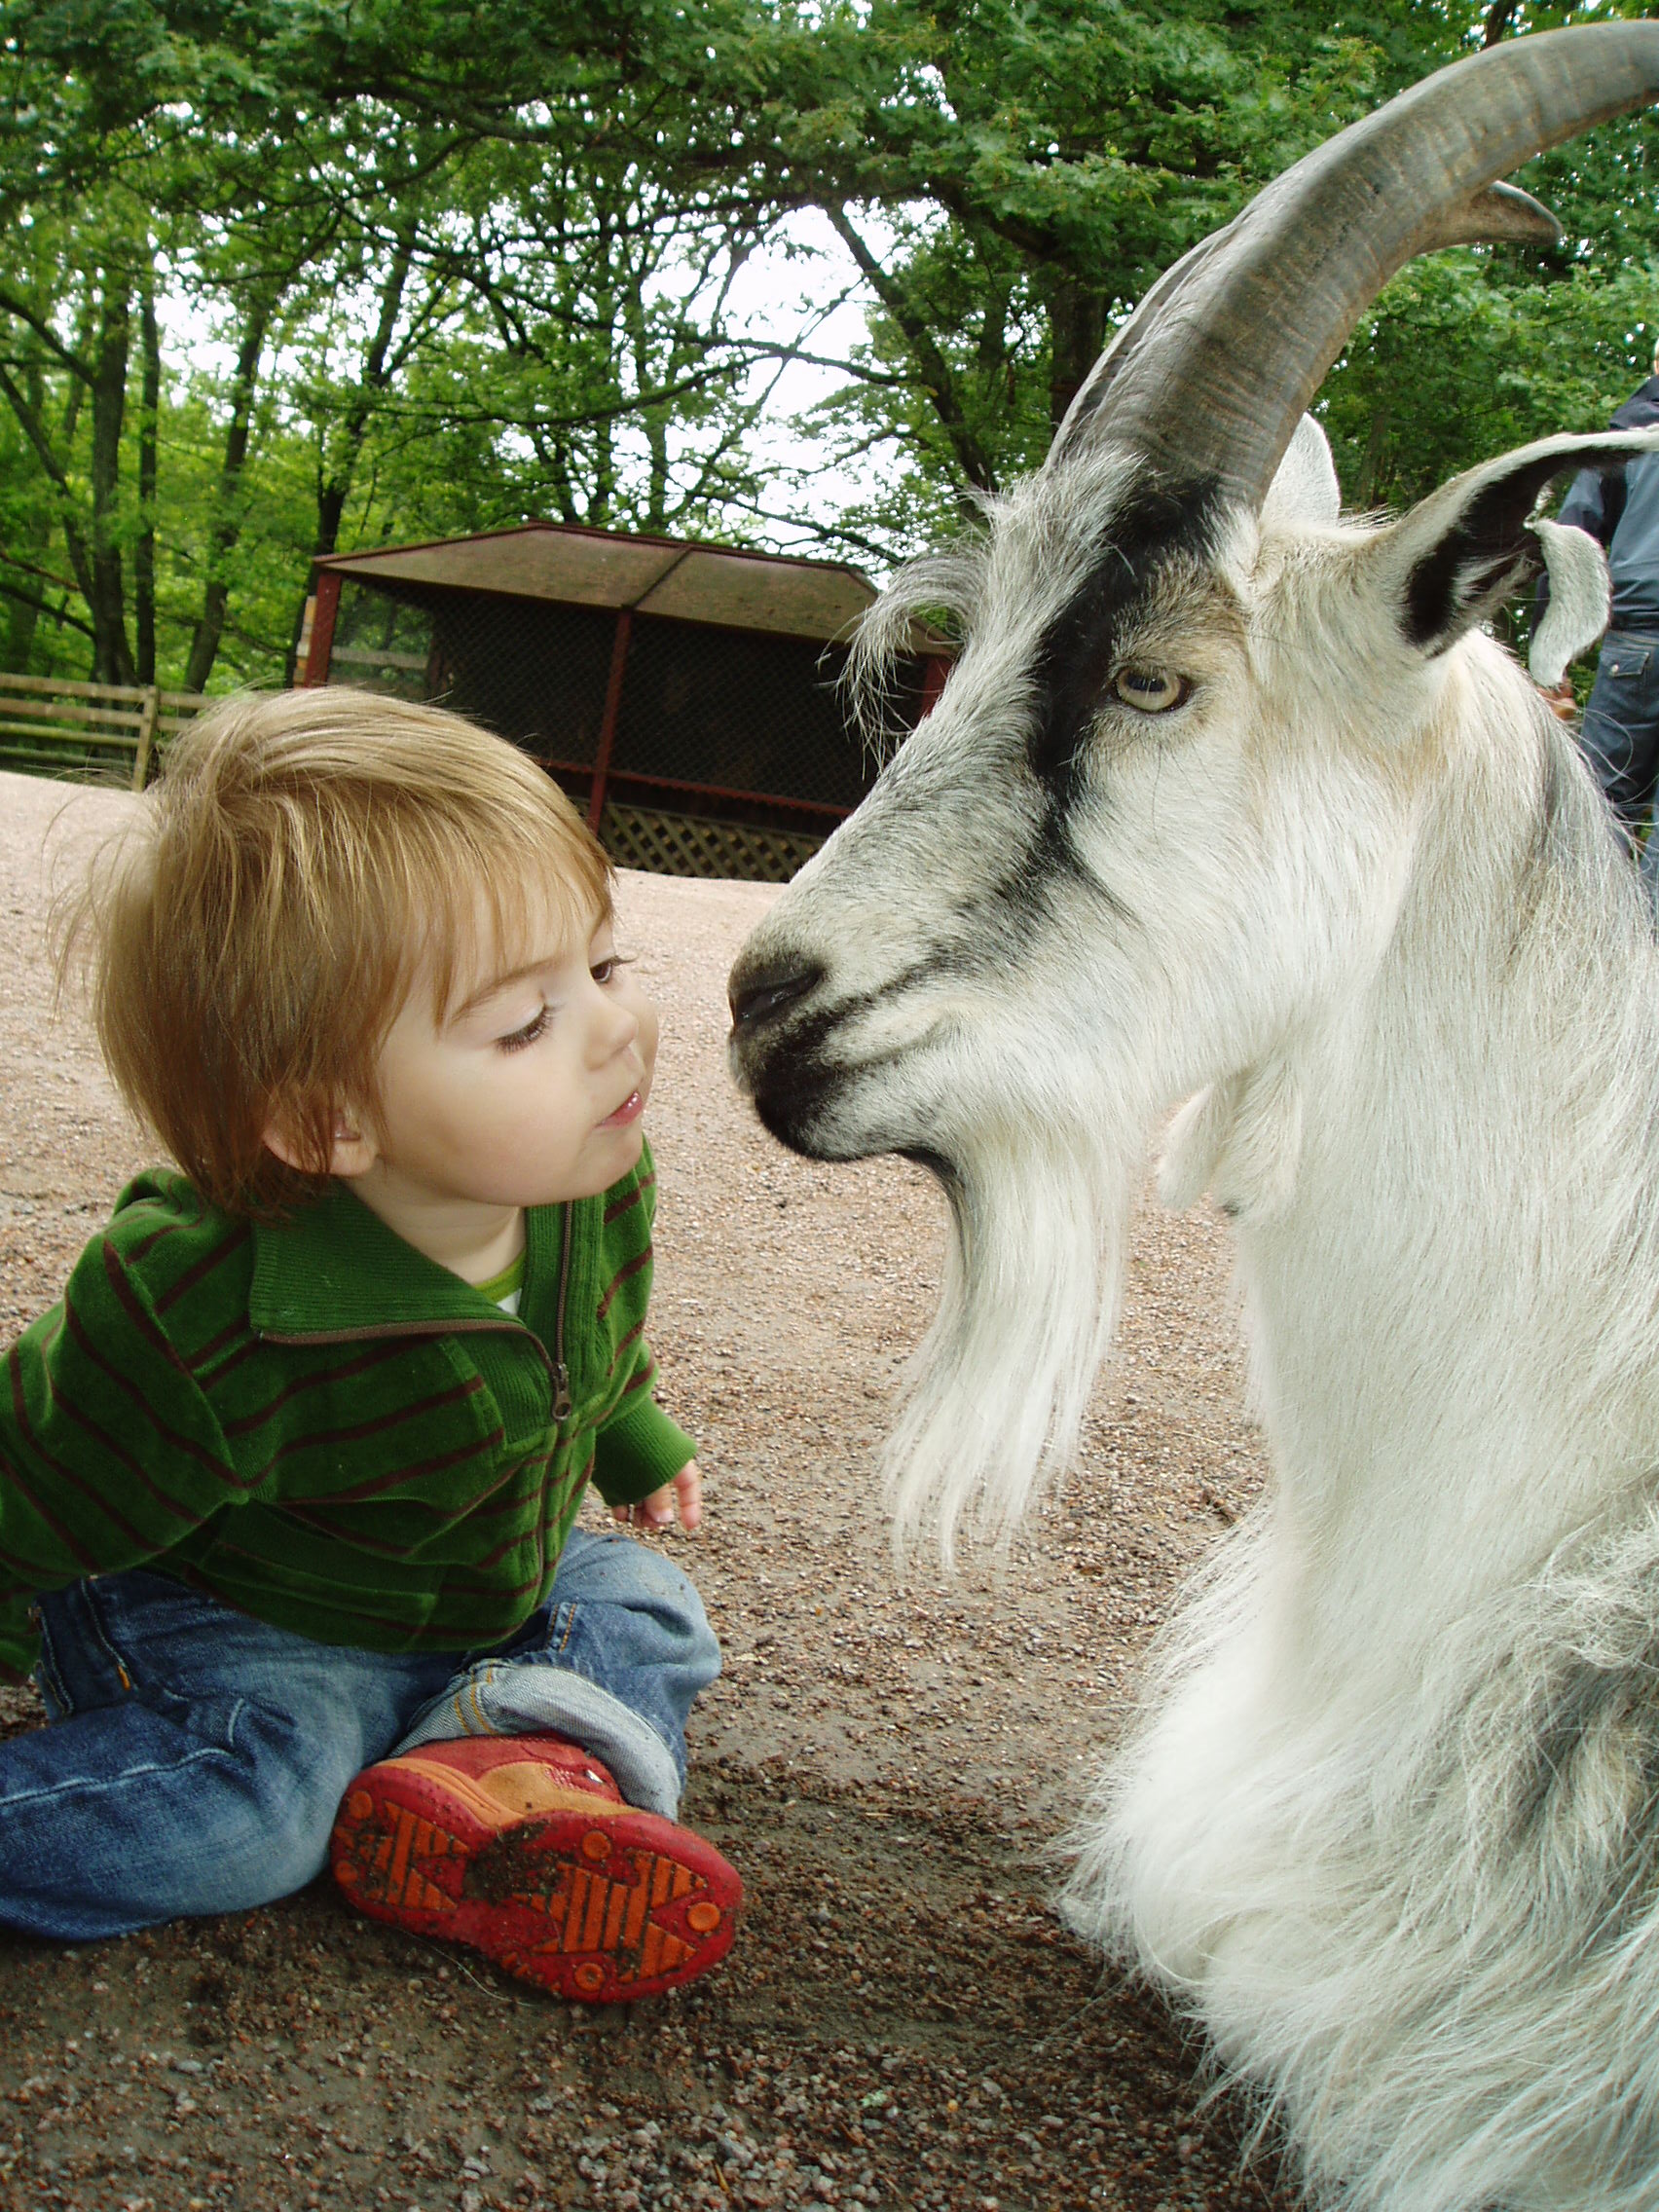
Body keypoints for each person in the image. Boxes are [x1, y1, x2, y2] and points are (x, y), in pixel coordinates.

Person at [0, 688, 740, 2004]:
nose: (615, 1028)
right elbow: (33, 1488)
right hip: (238, 1618)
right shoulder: (204, 1311)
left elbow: (597, 1343)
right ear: (330, 1119)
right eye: (527, 1023)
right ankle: (473, 1768)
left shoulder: (590, 1170)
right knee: (264, 1813)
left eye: (604, 965)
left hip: (466, 1565)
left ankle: (494, 1769)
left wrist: (629, 1432)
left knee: (648, 1605)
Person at [1539, 343, 1659, 899]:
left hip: (1634, 644)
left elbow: (1571, 542)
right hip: (1635, 634)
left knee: (1597, 822)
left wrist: (1551, 660)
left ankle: (1578, 968)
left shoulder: (1624, 441)